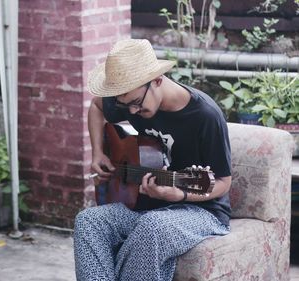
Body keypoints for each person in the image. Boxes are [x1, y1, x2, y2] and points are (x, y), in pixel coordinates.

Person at [73, 39, 232, 281]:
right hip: (148, 206)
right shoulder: (129, 100)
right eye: (126, 106)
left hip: (200, 210)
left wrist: (180, 195)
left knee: (152, 227)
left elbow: (222, 181)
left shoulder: (205, 116)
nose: (132, 113)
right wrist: (98, 152)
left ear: (157, 81)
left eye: (137, 104)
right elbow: (96, 106)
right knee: (89, 221)